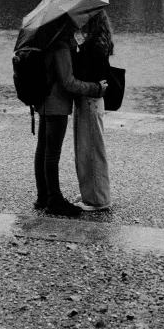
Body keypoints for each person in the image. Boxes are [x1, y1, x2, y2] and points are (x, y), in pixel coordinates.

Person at [34, 22, 108, 217]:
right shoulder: (60, 45)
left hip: (42, 100)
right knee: (51, 153)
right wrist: (95, 88)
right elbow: (68, 82)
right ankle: (54, 200)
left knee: (43, 149)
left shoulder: (45, 39)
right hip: (56, 104)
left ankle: (43, 196)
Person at [72, 10, 113, 211]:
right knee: (88, 148)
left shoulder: (95, 45)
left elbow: (87, 73)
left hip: (89, 99)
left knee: (91, 150)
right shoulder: (99, 41)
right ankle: (92, 191)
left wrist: (77, 52)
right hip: (90, 100)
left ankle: (98, 199)